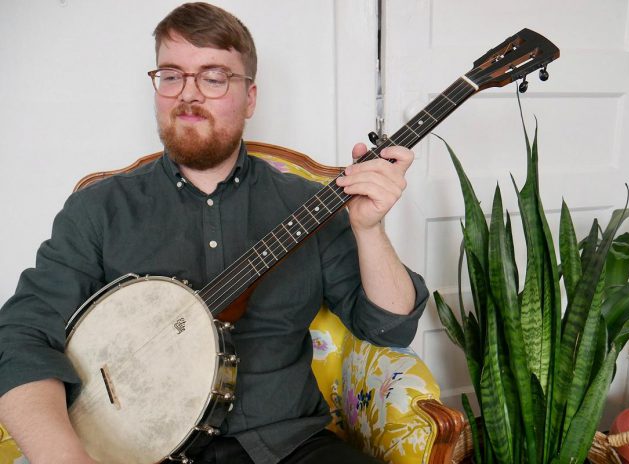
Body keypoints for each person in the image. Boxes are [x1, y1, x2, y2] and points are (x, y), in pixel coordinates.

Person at [0, 3, 428, 464]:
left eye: (214, 76)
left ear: (250, 98)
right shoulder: (99, 208)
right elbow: (21, 336)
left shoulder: (309, 204)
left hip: (288, 445)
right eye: (171, 75)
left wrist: (369, 230)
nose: (188, 94)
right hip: (134, 452)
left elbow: (390, 327)